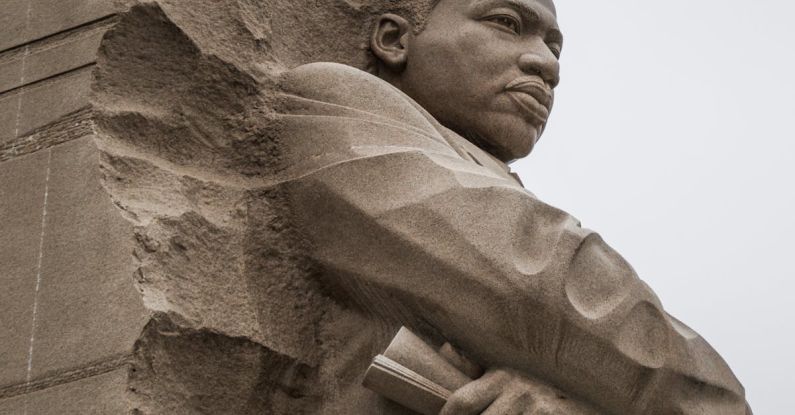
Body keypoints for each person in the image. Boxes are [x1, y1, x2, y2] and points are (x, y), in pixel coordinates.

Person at [271, 0, 752, 413]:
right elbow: (536, 283)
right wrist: (714, 397)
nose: (547, 65)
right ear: (395, 40)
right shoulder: (331, 100)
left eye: (555, 48)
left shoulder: (484, 171)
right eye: (506, 22)